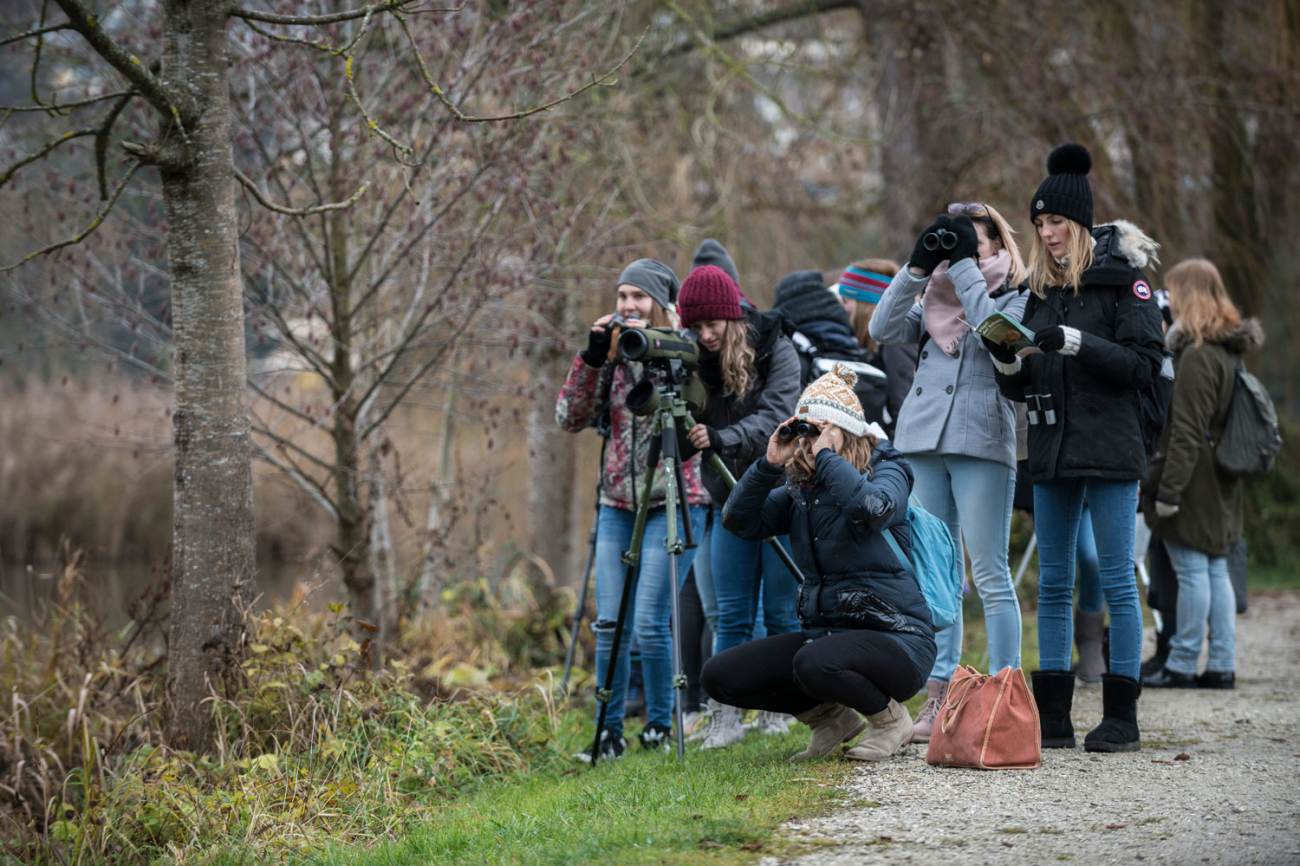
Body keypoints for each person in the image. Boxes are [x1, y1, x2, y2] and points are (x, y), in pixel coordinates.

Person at [987, 142, 1165, 753]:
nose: (1046, 233)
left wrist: (1075, 343)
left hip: (1112, 448)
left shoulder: (1125, 283)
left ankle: (1121, 717)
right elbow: (1024, 381)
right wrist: (1007, 361)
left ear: (1081, 222)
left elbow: (1145, 367)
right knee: (1054, 581)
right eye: (1039, 223)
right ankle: (1055, 718)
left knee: (1117, 579)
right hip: (1051, 447)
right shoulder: (1041, 289)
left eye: (1056, 221)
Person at [700, 365, 936, 761]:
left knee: (813, 661)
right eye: (805, 432)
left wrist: (827, 456)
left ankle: (890, 721)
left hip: (899, 639)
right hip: (827, 638)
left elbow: (874, 509)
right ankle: (832, 722)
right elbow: (739, 522)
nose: (810, 442)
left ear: (846, 431)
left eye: (821, 431)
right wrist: (768, 465)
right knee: (720, 676)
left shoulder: (888, 468)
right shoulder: (802, 490)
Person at [868, 202, 1028, 741]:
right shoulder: (932, 298)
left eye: (971, 241)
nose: (959, 252)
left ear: (997, 244)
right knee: (938, 574)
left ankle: (1003, 696)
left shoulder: (1016, 294)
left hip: (981, 440)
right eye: (951, 242)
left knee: (990, 574)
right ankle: (940, 695)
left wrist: (961, 267)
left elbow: (996, 335)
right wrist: (916, 268)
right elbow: (882, 327)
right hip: (922, 439)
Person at [555, 259, 708, 761]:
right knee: (609, 624)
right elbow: (569, 417)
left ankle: (660, 725)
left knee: (648, 621)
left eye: (638, 297)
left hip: (674, 499)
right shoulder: (613, 357)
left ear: (660, 303)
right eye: (622, 296)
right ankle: (608, 733)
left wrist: (664, 346)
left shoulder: (685, 347)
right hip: (617, 503)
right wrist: (592, 357)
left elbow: (701, 401)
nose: (628, 305)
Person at [677, 264, 802, 748]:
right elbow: (686, 431)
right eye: (696, 326)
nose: (705, 335)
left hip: (780, 492)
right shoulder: (692, 359)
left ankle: (780, 709)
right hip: (727, 499)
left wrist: (724, 437)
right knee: (730, 615)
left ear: (732, 315)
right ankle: (724, 715)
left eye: (712, 324)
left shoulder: (774, 346)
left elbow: (779, 416)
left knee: (780, 612)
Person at [1140, 259, 1263, 690]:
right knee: (1214, 569)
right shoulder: (1226, 351)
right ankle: (1222, 664)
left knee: (1193, 571)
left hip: (1193, 480)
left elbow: (1187, 433)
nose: (1168, 299)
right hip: (1219, 476)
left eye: (1173, 290)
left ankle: (1181, 662)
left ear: (1188, 295)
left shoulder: (1195, 355)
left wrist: (1168, 492)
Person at [834, 259, 917, 436]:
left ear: (866, 305)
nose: (843, 308)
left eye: (846, 300)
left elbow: (904, 411)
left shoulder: (896, 343)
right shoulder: (880, 345)